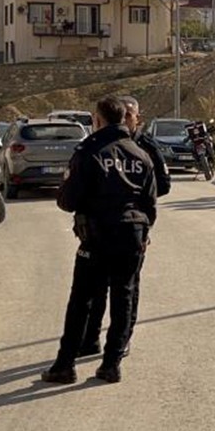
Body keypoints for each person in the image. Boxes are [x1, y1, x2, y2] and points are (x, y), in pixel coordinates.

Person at [42, 96, 157, 385]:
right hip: (132, 235)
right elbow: (150, 203)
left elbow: (68, 200)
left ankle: (65, 365)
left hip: (97, 236)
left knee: (81, 300)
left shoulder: (89, 150)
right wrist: (143, 233)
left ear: (97, 120)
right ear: (125, 118)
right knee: (124, 297)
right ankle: (111, 364)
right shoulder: (140, 154)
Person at [77, 95, 170, 358]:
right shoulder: (98, 144)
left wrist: (131, 196)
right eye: (123, 114)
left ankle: (121, 340)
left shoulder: (145, 147)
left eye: (131, 115)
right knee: (96, 287)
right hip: (98, 228)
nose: (126, 119)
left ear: (137, 118)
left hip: (132, 227)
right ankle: (90, 338)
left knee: (127, 288)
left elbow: (162, 184)